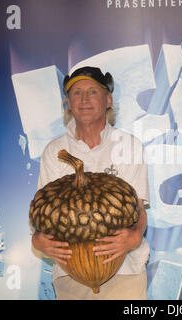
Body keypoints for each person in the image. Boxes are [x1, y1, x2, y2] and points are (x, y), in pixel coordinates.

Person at [31, 66, 150, 300]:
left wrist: (134, 236)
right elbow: (43, 215)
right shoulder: (54, 151)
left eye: (93, 92)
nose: (84, 99)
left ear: (108, 100)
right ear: (68, 102)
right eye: (76, 93)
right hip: (69, 275)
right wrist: (38, 240)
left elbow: (138, 208)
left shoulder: (129, 145)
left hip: (125, 272)